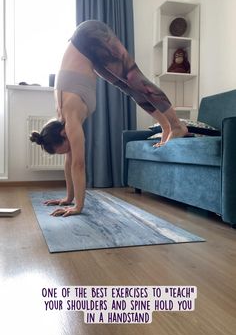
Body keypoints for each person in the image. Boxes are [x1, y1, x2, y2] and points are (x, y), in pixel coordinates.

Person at [30, 20, 188, 217]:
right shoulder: (62, 123)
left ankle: (176, 125)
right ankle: (165, 126)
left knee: (135, 79)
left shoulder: (70, 117)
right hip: (87, 49)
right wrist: (68, 198)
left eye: (66, 147)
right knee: (129, 87)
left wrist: (78, 207)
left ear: (63, 133)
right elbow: (69, 162)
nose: (69, 151)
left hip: (90, 36)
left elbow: (78, 165)